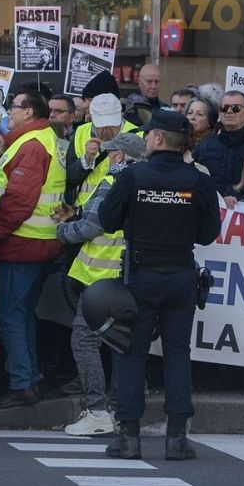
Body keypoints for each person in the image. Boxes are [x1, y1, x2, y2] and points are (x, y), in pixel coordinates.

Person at [97, 109, 222, 461]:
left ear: (155, 139)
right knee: (178, 354)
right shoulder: (198, 180)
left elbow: (107, 221)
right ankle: (177, 439)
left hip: (141, 276)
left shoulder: (133, 176)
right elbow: (209, 234)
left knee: (134, 355)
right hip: (181, 274)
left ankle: (129, 438)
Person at [56, 133, 144, 437]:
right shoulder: (146, 183)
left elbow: (93, 227)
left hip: (99, 278)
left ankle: (96, 411)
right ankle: (122, 411)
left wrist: (63, 231)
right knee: (120, 343)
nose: (107, 159)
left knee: (84, 340)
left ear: (118, 157)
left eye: (109, 155)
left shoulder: (112, 182)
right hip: (129, 276)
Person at [0, 89, 64, 410]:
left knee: (10, 316)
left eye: (13, 107)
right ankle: (30, 377)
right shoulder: (42, 138)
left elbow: (18, 200)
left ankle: (21, 383)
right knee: (22, 314)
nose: (8, 111)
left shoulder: (31, 145)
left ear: (29, 112)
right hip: (40, 241)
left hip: (23, 243)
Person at [69, 92, 138, 203]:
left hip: (119, 210)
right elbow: (68, 180)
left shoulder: (137, 135)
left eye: (112, 125)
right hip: (84, 210)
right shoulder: (80, 132)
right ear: (91, 117)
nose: (107, 130)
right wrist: (86, 160)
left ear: (121, 114)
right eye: (101, 125)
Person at [193, 90, 244, 188]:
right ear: (219, 112)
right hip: (212, 202)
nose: (229, 111)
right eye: (224, 108)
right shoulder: (204, 146)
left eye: (236, 108)